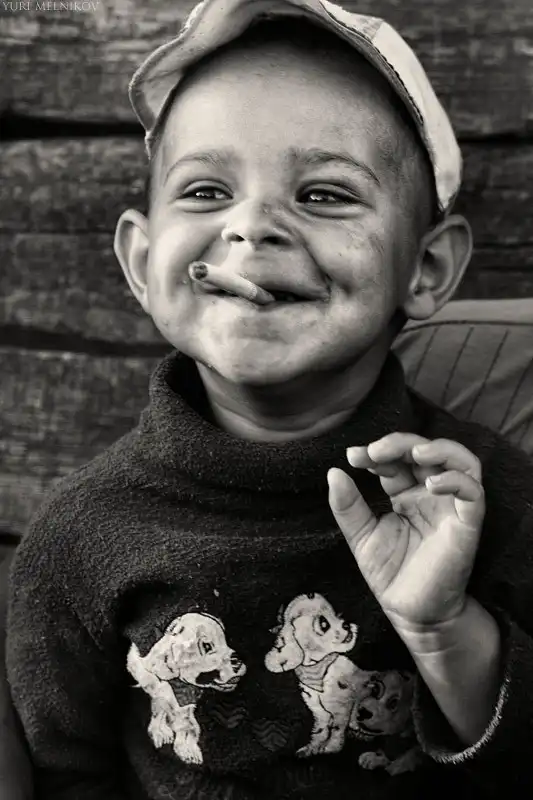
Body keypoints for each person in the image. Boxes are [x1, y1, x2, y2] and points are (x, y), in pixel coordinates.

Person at [6, 0, 533, 797]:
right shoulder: (80, 534)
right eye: (205, 190)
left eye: (323, 195)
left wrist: (443, 629)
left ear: (425, 269)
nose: (251, 226)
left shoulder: (481, 501)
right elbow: (65, 775)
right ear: (143, 262)